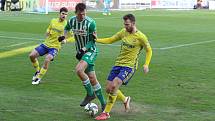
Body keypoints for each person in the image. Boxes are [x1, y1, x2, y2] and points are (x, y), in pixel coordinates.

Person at [95, 14, 152, 120]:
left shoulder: (141, 37)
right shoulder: (123, 32)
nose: (125, 26)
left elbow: (149, 50)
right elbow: (111, 39)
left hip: (129, 67)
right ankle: (125, 99)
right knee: (108, 89)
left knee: (114, 86)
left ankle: (106, 113)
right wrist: (97, 40)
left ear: (133, 24)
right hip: (118, 64)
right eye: (124, 24)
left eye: (127, 24)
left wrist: (146, 64)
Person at [60, 3, 106, 111]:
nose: (82, 16)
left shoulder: (91, 23)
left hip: (91, 51)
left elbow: (93, 40)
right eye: (80, 14)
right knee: (92, 79)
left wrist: (83, 49)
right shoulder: (72, 20)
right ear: (75, 13)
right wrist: (63, 37)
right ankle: (104, 104)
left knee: (79, 70)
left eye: (84, 14)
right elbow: (66, 28)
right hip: (81, 52)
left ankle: (90, 94)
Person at [29, 7, 72, 85]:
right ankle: (37, 71)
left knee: (47, 59)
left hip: (55, 47)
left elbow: (73, 36)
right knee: (32, 55)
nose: (64, 15)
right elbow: (49, 28)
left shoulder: (67, 25)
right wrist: (47, 31)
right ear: (59, 14)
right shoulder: (53, 20)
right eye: (63, 13)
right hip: (46, 44)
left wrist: (65, 40)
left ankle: (38, 78)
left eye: (66, 14)